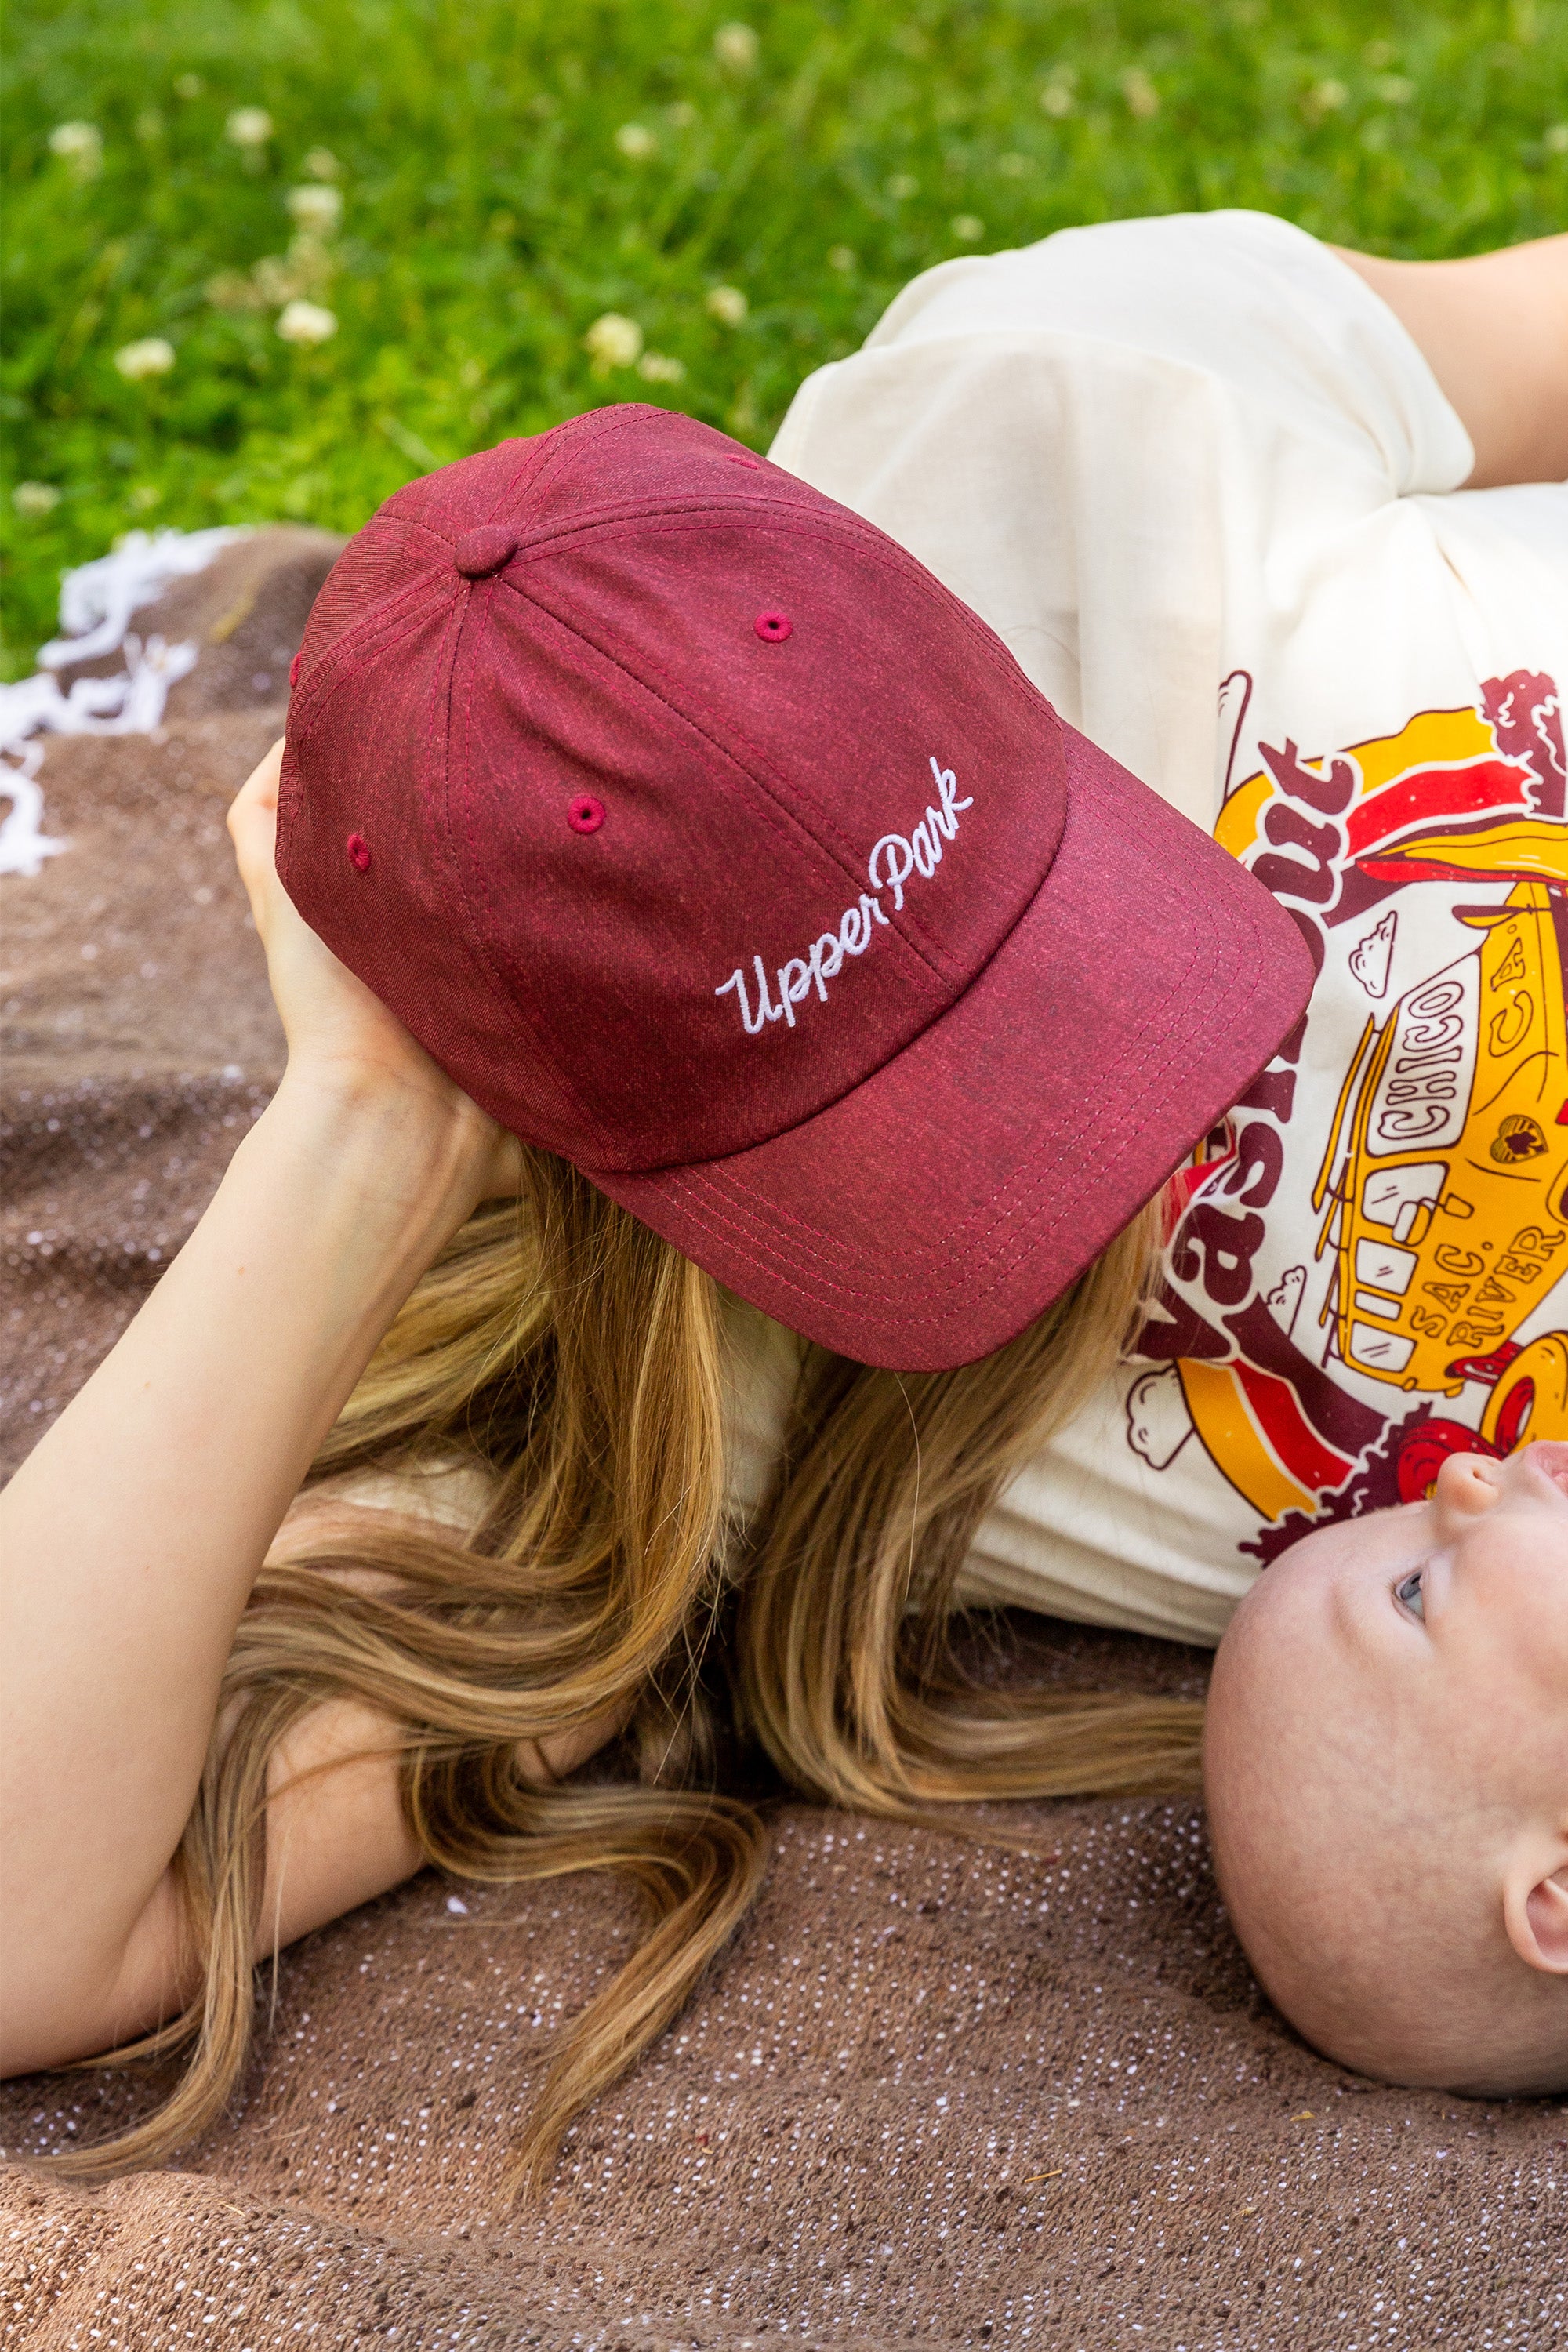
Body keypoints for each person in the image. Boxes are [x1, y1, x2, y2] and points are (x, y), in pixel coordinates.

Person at [1, 211, 1563, 2193]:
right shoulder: (697, 1430)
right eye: (900, 1121)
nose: (1117, 1120)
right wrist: (355, 1136)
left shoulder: (1054, 414)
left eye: (1043, 945)